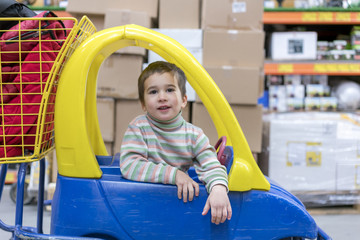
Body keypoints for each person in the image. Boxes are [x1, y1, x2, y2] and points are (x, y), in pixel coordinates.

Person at [120, 61, 232, 225]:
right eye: (153, 92)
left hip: (175, 209)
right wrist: (175, 175)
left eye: (170, 90)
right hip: (141, 208)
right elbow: (129, 166)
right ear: (143, 104)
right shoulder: (138, 128)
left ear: (184, 100)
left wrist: (219, 188)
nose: (162, 97)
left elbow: (211, 166)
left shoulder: (194, 135)